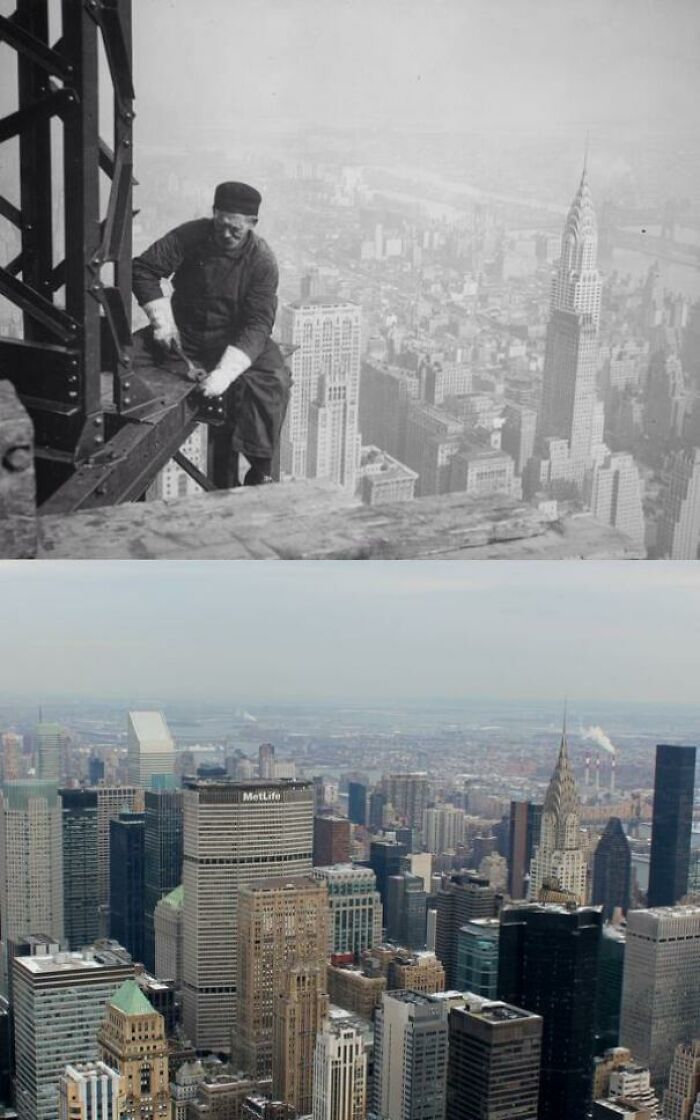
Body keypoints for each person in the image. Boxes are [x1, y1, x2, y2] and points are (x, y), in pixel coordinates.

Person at [132, 181, 290, 486]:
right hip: (184, 334)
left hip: (234, 340)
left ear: (252, 224)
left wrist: (225, 374)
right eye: (221, 224)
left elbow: (258, 323)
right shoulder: (190, 235)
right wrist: (162, 322)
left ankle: (260, 466)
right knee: (121, 358)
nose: (226, 234)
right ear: (214, 213)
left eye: (236, 229)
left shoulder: (262, 260)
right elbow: (144, 269)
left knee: (274, 379)